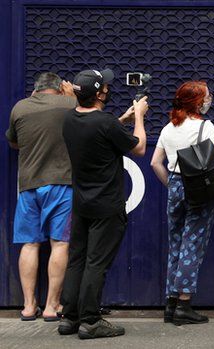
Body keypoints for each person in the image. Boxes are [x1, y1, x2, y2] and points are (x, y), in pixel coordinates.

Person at [59, 69, 148, 339]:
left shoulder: (70, 120)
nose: (108, 89)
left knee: (77, 260)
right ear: (99, 93)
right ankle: (90, 320)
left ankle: (70, 318)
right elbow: (139, 147)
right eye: (105, 86)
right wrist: (139, 118)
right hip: (107, 206)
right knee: (96, 263)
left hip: (82, 203)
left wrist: (122, 119)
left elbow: (98, 131)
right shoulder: (105, 123)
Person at [149, 81, 214, 326]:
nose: (210, 99)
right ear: (198, 102)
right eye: (207, 96)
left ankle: (170, 303)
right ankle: (184, 303)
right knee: (193, 243)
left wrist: (172, 185)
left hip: (175, 187)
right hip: (198, 189)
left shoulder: (169, 128)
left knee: (176, 242)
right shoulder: (205, 126)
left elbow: (154, 163)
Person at [7, 72, 76, 322]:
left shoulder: (20, 107)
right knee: (59, 243)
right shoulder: (70, 105)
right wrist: (71, 97)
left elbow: (14, 142)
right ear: (59, 89)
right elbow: (87, 122)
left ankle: (28, 306)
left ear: (36, 90)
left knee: (30, 244)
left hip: (29, 185)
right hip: (62, 183)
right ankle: (51, 306)